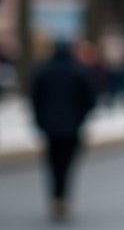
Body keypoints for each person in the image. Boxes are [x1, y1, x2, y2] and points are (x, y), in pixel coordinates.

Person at [30, 36, 96, 220]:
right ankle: (63, 196)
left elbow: (35, 98)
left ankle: (56, 195)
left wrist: (39, 120)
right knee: (67, 163)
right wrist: (82, 116)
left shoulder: (43, 71)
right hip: (72, 125)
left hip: (50, 125)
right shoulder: (79, 71)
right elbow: (89, 99)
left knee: (52, 162)